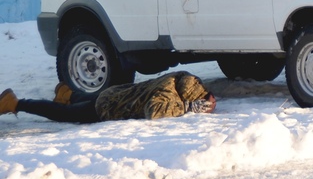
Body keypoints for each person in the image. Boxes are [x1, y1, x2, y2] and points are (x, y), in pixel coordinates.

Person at [0, 71, 216, 124]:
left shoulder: (176, 78)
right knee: (65, 114)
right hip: (110, 108)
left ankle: (67, 93)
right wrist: (192, 107)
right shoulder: (167, 93)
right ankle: (15, 102)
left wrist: (204, 97)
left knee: (85, 99)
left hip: (112, 93)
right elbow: (154, 111)